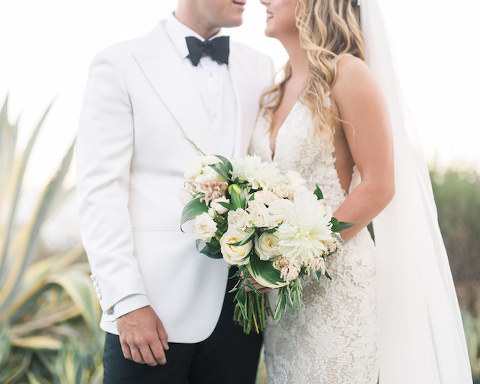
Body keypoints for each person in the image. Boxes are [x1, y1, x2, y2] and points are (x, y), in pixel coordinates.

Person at [249, 0, 473, 383]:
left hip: (336, 288)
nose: (263, 1)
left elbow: (379, 183)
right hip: (283, 301)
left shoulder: (349, 74)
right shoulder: (276, 86)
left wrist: (297, 257)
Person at [76, 0, 273, 382]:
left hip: (239, 309)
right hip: (151, 314)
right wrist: (126, 301)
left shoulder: (260, 67)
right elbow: (100, 190)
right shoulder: (120, 64)